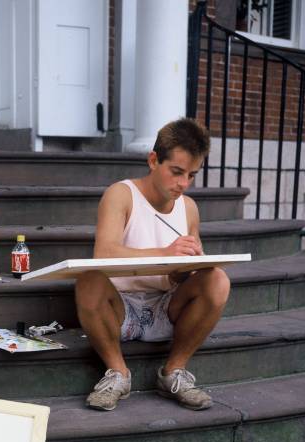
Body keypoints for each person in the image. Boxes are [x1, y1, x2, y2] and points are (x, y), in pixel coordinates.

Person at [75, 118, 230, 411]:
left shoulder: (189, 208)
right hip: (119, 306)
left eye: (192, 175)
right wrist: (166, 252)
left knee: (217, 279)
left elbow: (190, 275)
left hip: (166, 306)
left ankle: (174, 373)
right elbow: (104, 254)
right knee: (88, 279)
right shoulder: (121, 194)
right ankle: (118, 374)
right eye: (176, 172)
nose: (183, 183)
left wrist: (188, 266)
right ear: (153, 160)